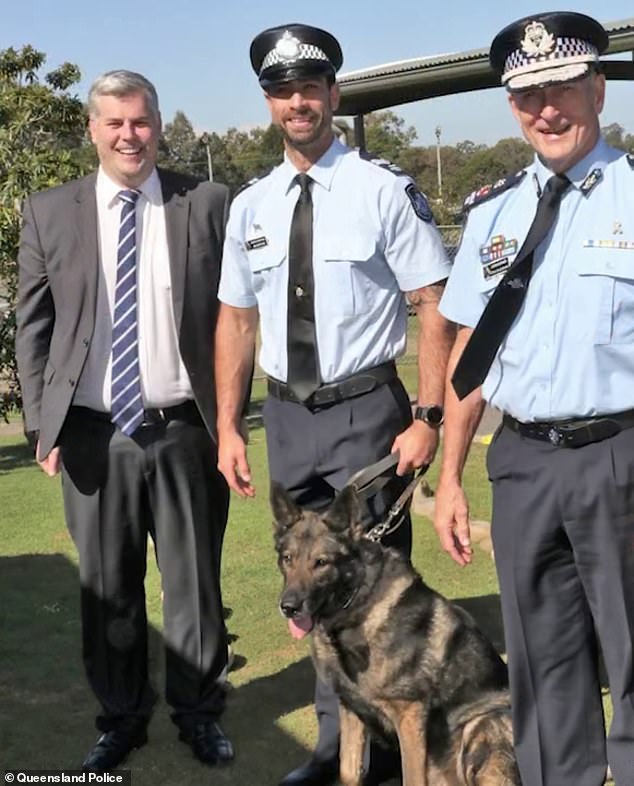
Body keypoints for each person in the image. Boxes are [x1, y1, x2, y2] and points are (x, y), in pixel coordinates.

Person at [215, 23, 455, 786]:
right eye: (283, 91)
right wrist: (226, 424)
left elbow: (434, 305)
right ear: (270, 102)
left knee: (380, 589)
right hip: (285, 416)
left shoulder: (383, 191)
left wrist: (426, 416)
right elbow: (237, 320)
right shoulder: (250, 204)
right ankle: (336, 749)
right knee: (309, 586)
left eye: (310, 88)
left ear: (333, 95)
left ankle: (392, 749)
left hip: (365, 412)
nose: (298, 102)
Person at [434, 11, 634, 786]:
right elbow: (468, 360)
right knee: (544, 664)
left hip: (619, 458)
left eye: (560, 89)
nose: (545, 109)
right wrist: (451, 478)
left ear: (599, 89)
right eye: (527, 96)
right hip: (521, 464)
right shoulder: (494, 210)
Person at [15, 70, 234, 772]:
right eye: (114, 122)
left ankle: (199, 713)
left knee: (194, 582)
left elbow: (236, 317)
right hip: (90, 432)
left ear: (158, 124)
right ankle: (121, 719)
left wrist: (230, 421)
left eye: (139, 121)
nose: (128, 135)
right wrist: (40, 429)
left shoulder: (206, 203)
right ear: (92, 129)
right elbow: (33, 329)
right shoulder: (48, 212)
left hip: (183, 430)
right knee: (108, 587)